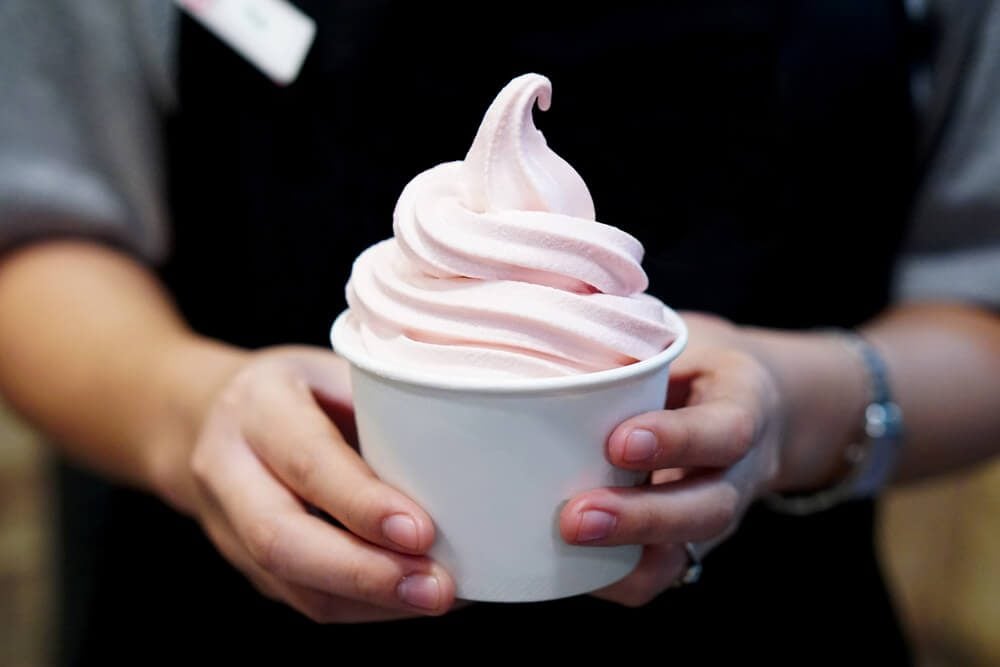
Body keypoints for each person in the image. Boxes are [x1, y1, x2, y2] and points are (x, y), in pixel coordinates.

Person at [1, 1, 998, 663]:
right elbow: (33, 236)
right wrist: (184, 410)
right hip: (211, 608)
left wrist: (803, 401)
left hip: (770, 613)